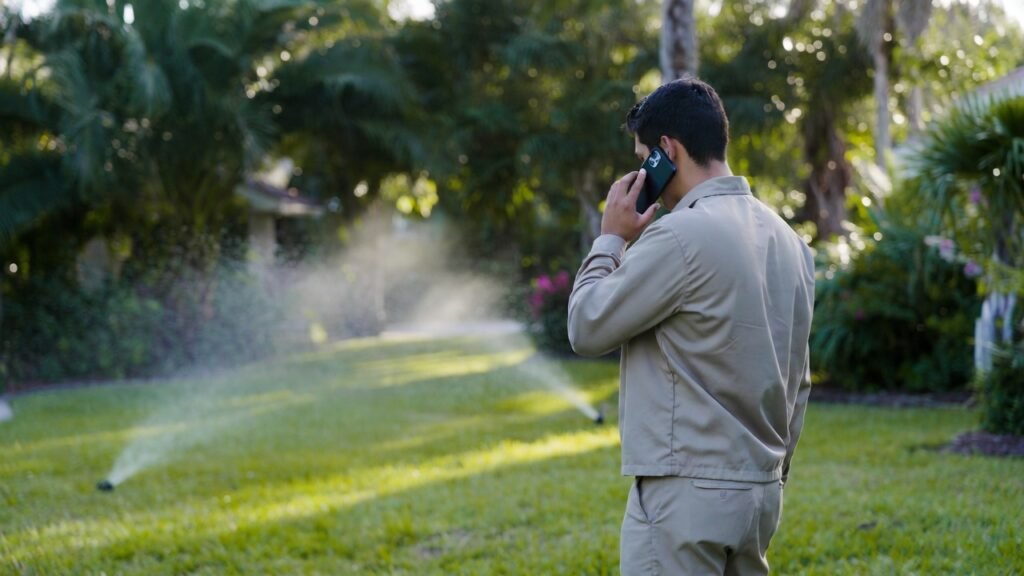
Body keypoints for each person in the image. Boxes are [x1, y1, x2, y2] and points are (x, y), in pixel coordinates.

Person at [567, 77, 815, 575]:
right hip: (761, 492)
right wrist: (770, 472)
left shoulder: (679, 235)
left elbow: (586, 326)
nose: (642, 170)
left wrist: (612, 240)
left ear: (667, 149)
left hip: (685, 495)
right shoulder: (790, 242)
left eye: (644, 158)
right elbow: (799, 380)